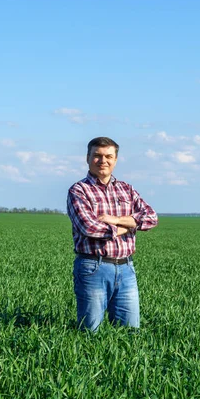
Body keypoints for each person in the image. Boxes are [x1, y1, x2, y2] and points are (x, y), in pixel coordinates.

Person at [67, 136, 158, 331]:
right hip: (93, 267)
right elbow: (89, 228)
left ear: (115, 160)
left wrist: (115, 220)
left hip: (126, 268)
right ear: (88, 158)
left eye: (108, 156)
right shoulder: (79, 191)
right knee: (90, 331)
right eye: (97, 156)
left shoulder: (127, 189)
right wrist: (132, 224)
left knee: (130, 332)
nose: (103, 161)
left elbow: (151, 218)